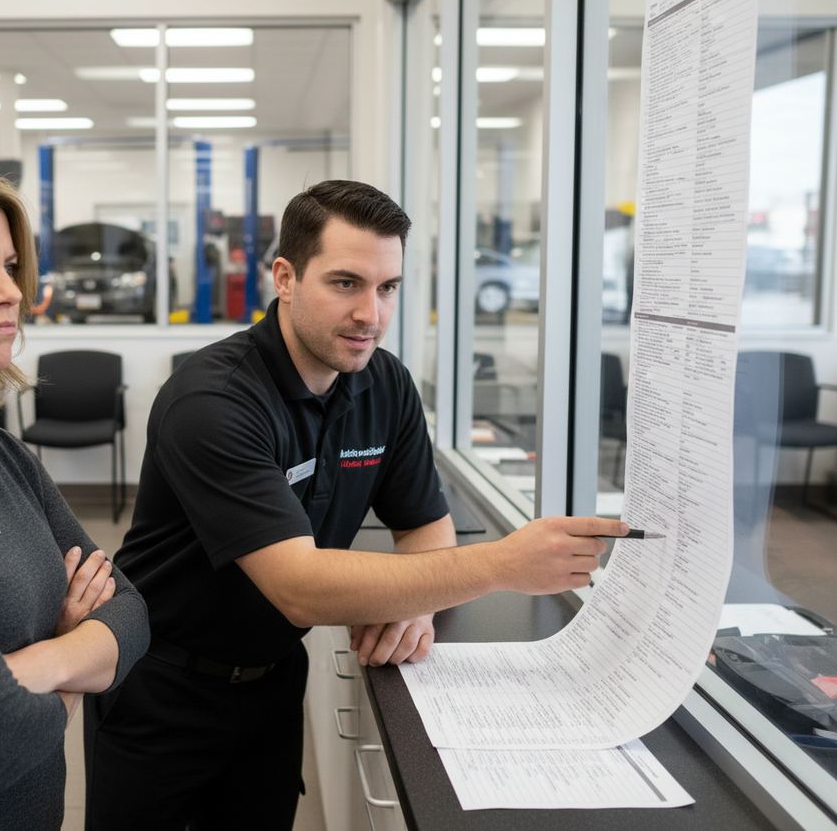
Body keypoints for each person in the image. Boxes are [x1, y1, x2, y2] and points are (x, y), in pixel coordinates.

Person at [85, 179, 625, 830]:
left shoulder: (383, 383)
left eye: (387, 287)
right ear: (285, 277)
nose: (371, 313)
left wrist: (416, 600)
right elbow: (301, 588)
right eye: (346, 284)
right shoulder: (213, 401)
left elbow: (425, 525)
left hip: (273, 683)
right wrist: (504, 565)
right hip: (160, 688)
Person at [0, 162, 150, 831]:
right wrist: (78, 661)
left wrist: (36, 662)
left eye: (9, 266)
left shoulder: (2, 455)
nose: (11, 293)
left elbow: (133, 612)